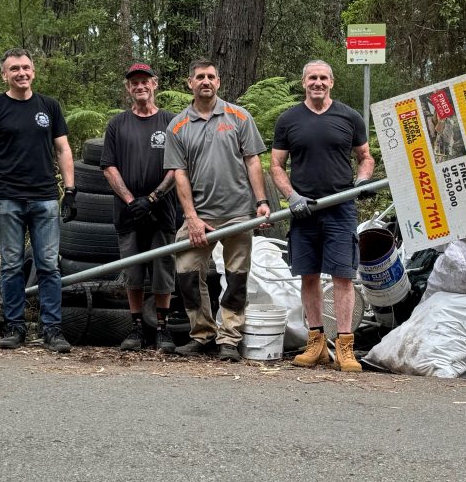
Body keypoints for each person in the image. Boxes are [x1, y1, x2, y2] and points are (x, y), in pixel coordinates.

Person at [271, 61, 375, 373]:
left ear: (332, 82)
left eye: (323, 78)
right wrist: (292, 196)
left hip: (340, 209)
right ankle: (316, 345)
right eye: (312, 78)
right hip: (304, 211)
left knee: (343, 276)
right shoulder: (289, 119)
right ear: (304, 83)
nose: (318, 83)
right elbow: (276, 165)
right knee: (309, 275)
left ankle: (344, 346)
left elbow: (365, 157)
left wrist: (364, 180)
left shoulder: (349, 116)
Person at [0, 49, 77, 353]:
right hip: (7, 199)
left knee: (48, 265)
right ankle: (14, 326)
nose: (21, 73)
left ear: (33, 72)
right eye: (14, 68)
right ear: (4, 74)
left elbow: (63, 149)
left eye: (26, 67)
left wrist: (70, 191)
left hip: (44, 198)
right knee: (12, 266)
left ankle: (52, 329)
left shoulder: (49, 106)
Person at [164, 59, 270, 360]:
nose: (205, 81)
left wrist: (262, 203)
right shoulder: (178, 126)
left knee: (237, 277)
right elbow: (179, 174)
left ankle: (229, 339)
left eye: (211, 76)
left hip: (238, 213)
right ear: (190, 83)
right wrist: (192, 218)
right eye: (200, 77)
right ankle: (203, 334)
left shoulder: (239, 117)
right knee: (186, 272)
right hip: (200, 216)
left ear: (219, 82)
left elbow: (252, 161)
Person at [101, 62, 179, 354]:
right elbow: (108, 166)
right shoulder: (117, 124)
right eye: (134, 83)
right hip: (128, 214)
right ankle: (135, 327)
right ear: (128, 89)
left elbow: (177, 167)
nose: (140, 86)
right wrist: (132, 200)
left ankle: (163, 327)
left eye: (145, 81)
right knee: (133, 273)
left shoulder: (171, 122)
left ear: (154, 84)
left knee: (163, 272)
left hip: (163, 212)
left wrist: (154, 197)